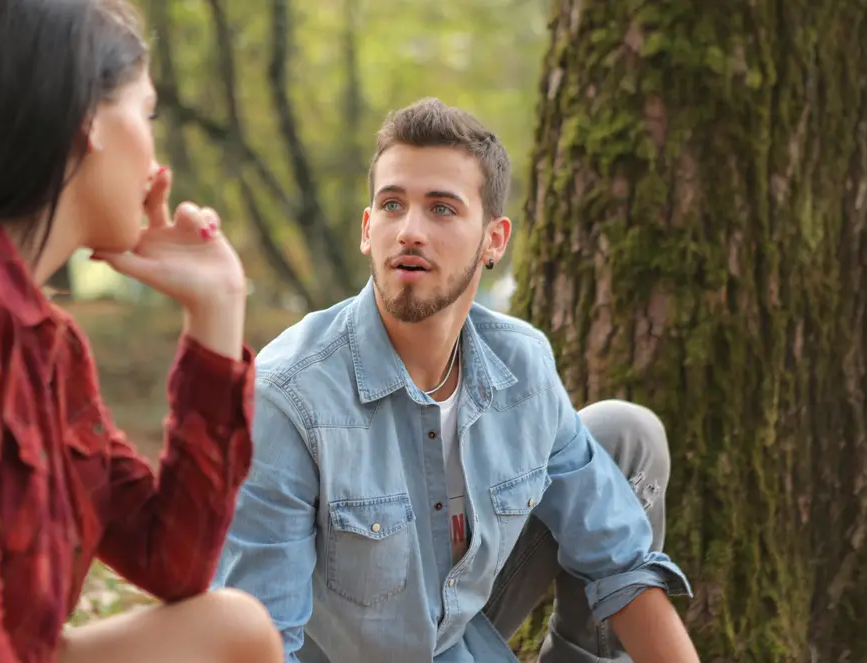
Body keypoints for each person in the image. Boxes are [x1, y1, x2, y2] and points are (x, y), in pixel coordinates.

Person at [0, 1, 282, 662]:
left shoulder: (41, 338)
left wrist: (217, 308)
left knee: (231, 630)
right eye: (145, 114)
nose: (157, 166)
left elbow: (172, 559)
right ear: (86, 119)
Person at [212, 97, 700, 663]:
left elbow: (620, 559)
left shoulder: (522, 364)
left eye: (442, 209)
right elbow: (258, 642)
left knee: (624, 434)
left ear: (494, 239)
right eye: (393, 205)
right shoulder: (287, 396)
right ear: (368, 229)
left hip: (459, 627)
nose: (410, 231)